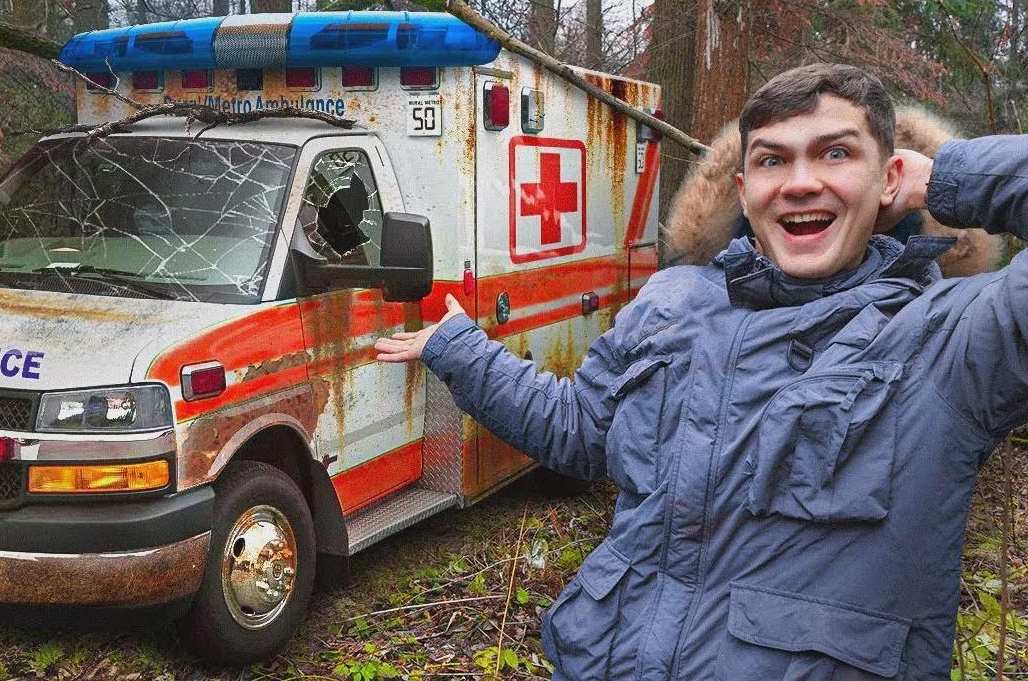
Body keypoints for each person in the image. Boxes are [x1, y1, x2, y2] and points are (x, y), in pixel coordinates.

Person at [374, 63, 1028, 681]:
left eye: (835, 153)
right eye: (773, 159)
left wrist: (947, 181)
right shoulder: (672, 300)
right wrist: (460, 348)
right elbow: (577, 433)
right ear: (745, 189)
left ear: (889, 180)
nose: (800, 182)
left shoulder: (954, 341)